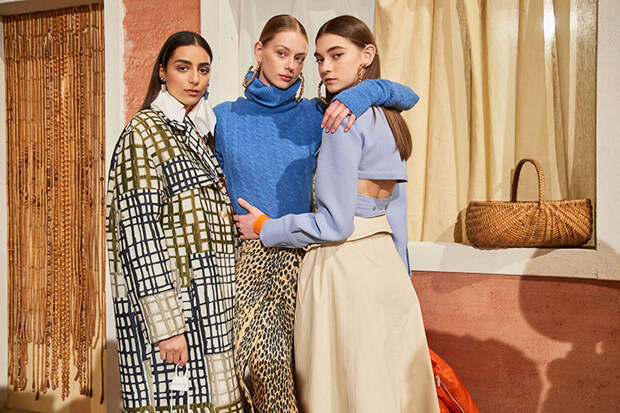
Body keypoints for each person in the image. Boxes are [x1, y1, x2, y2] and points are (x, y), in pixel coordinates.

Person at [213, 14, 419, 413]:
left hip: (308, 255)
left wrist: (362, 93)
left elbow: (406, 96)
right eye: (282, 53)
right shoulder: (223, 118)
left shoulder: (323, 113)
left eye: (300, 58)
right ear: (259, 51)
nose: (292, 66)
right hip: (251, 260)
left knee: (317, 378)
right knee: (264, 371)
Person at [106, 31, 243, 412]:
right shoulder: (143, 133)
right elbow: (139, 236)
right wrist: (167, 328)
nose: (195, 79)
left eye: (203, 69)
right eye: (183, 68)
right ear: (162, 72)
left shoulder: (197, 133)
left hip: (213, 312)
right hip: (177, 316)